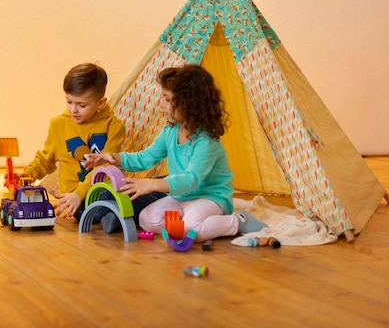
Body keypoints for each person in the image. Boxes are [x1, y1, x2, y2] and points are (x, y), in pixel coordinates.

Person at [83, 65, 267, 242]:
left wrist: (152, 184)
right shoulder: (170, 132)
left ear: (190, 104)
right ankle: (193, 221)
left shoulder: (206, 142)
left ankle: (238, 221)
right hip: (180, 197)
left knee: (188, 230)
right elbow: (145, 158)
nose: (161, 104)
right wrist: (113, 158)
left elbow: (191, 179)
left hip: (210, 198)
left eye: (167, 99)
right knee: (147, 219)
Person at [15, 62, 126, 224]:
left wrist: (80, 193)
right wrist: (28, 175)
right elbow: (46, 159)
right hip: (73, 198)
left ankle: (112, 216)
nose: (73, 109)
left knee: (119, 195)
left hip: (101, 191)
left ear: (101, 103)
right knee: (84, 210)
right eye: (69, 102)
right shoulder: (59, 125)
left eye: (82, 105)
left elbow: (106, 166)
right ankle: (111, 217)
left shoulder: (113, 126)